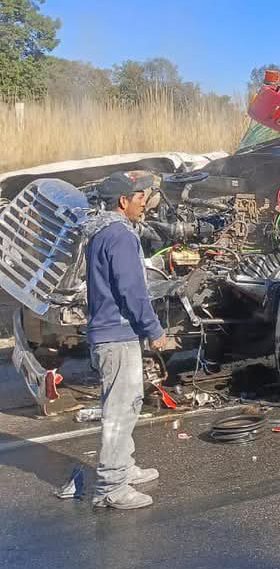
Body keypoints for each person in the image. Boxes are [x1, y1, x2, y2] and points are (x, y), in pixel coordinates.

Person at [83, 170, 168, 510]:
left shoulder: (100, 232)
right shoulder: (120, 235)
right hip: (117, 334)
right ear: (123, 201)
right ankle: (112, 485)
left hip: (109, 332)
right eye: (139, 198)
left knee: (126, 404)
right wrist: (154, 330)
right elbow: (132, 290)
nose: (144, 203)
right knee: (120, 409)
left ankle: (124, 466)